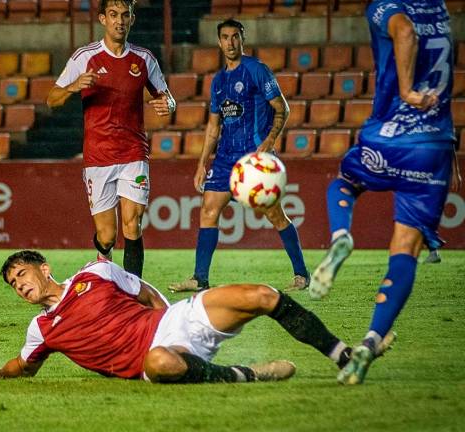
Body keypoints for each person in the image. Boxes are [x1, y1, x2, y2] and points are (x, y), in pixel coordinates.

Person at [0, 250, 394, 384]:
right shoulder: (41, 329)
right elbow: (25, 367)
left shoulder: (95, 272)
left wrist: (177, 318)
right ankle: (246, 374)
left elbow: (145, 292)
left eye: (22, 273)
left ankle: (344, 356)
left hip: (172, 322)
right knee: (159, 363)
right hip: (157, 356)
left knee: (262, 294)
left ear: (44, 268)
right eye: (13, 284)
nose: (20, 284)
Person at [309, 0, 461, 385]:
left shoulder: (386, 6)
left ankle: (342, 236)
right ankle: (370, 342)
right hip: (436, 146)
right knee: (405, 249)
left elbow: (404, 31)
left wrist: (407, 91)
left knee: (344, 181)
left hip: (392, 136)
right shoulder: (441, 9)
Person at [169, 19, 309, 293]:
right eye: (225, 37)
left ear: (241, 39)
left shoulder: (256, 70)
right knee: (208, 211)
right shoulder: (218, 81)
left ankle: (301, 275)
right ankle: (200, 278)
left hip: (254, 158)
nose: (230, 42)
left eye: (235, 36)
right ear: (219, 42)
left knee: (275, 215)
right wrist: (201, 163)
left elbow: (282, 109)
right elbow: (213, 126)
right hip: (224, 159)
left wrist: (269, 142)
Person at [46, 0, 176, 278]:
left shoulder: (144, 59)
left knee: (133, 224)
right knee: (107, 235)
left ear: (132, 19)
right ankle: (103, 258)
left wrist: (170, 104)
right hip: (98, 156)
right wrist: (72, 86)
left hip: (133, 153)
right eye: (114, 15)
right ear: (103, 19)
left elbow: (166, 96)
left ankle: (132, 292)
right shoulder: (85, 57)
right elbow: (51, 99)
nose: (119, 21)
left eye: (125, 15)